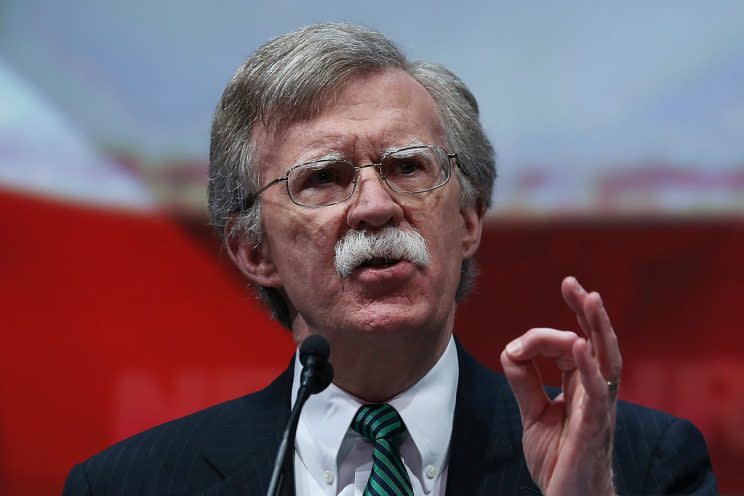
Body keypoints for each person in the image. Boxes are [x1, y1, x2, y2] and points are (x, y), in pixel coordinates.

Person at [64, 23, 717, 495]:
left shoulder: (644, 465)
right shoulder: (131, 484)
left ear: (467, 220)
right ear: (252, 249)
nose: (376, 205)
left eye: (407, 167)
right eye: (323, 178)